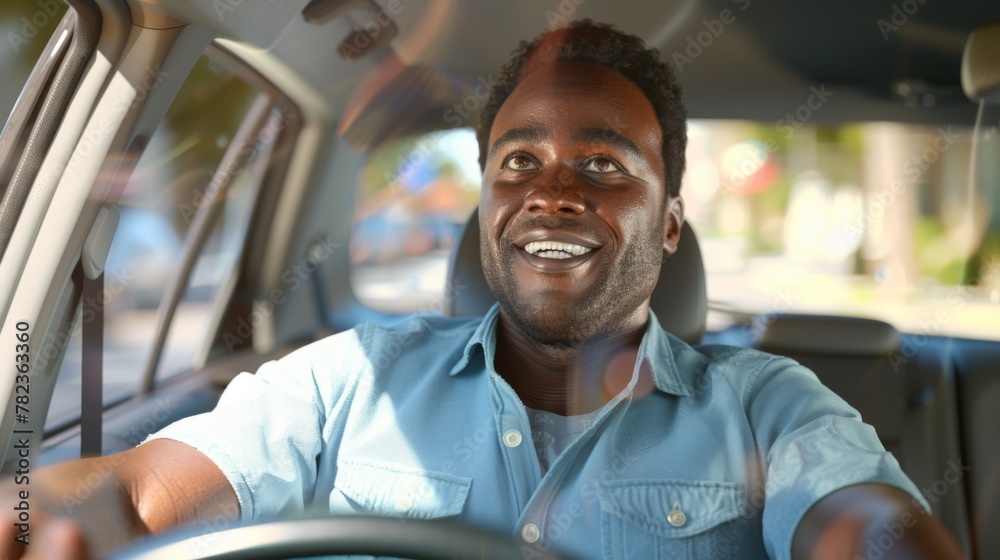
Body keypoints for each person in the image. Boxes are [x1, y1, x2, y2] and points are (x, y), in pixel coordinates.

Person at [2, 20, 962, 560]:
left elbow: (870, 531)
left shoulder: (768, 408)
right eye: (520, 159)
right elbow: (136, 490)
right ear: (487, 204)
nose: (552, 191)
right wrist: (34, 517)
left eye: (603, 163)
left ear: (670, 224)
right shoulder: (348, 380)